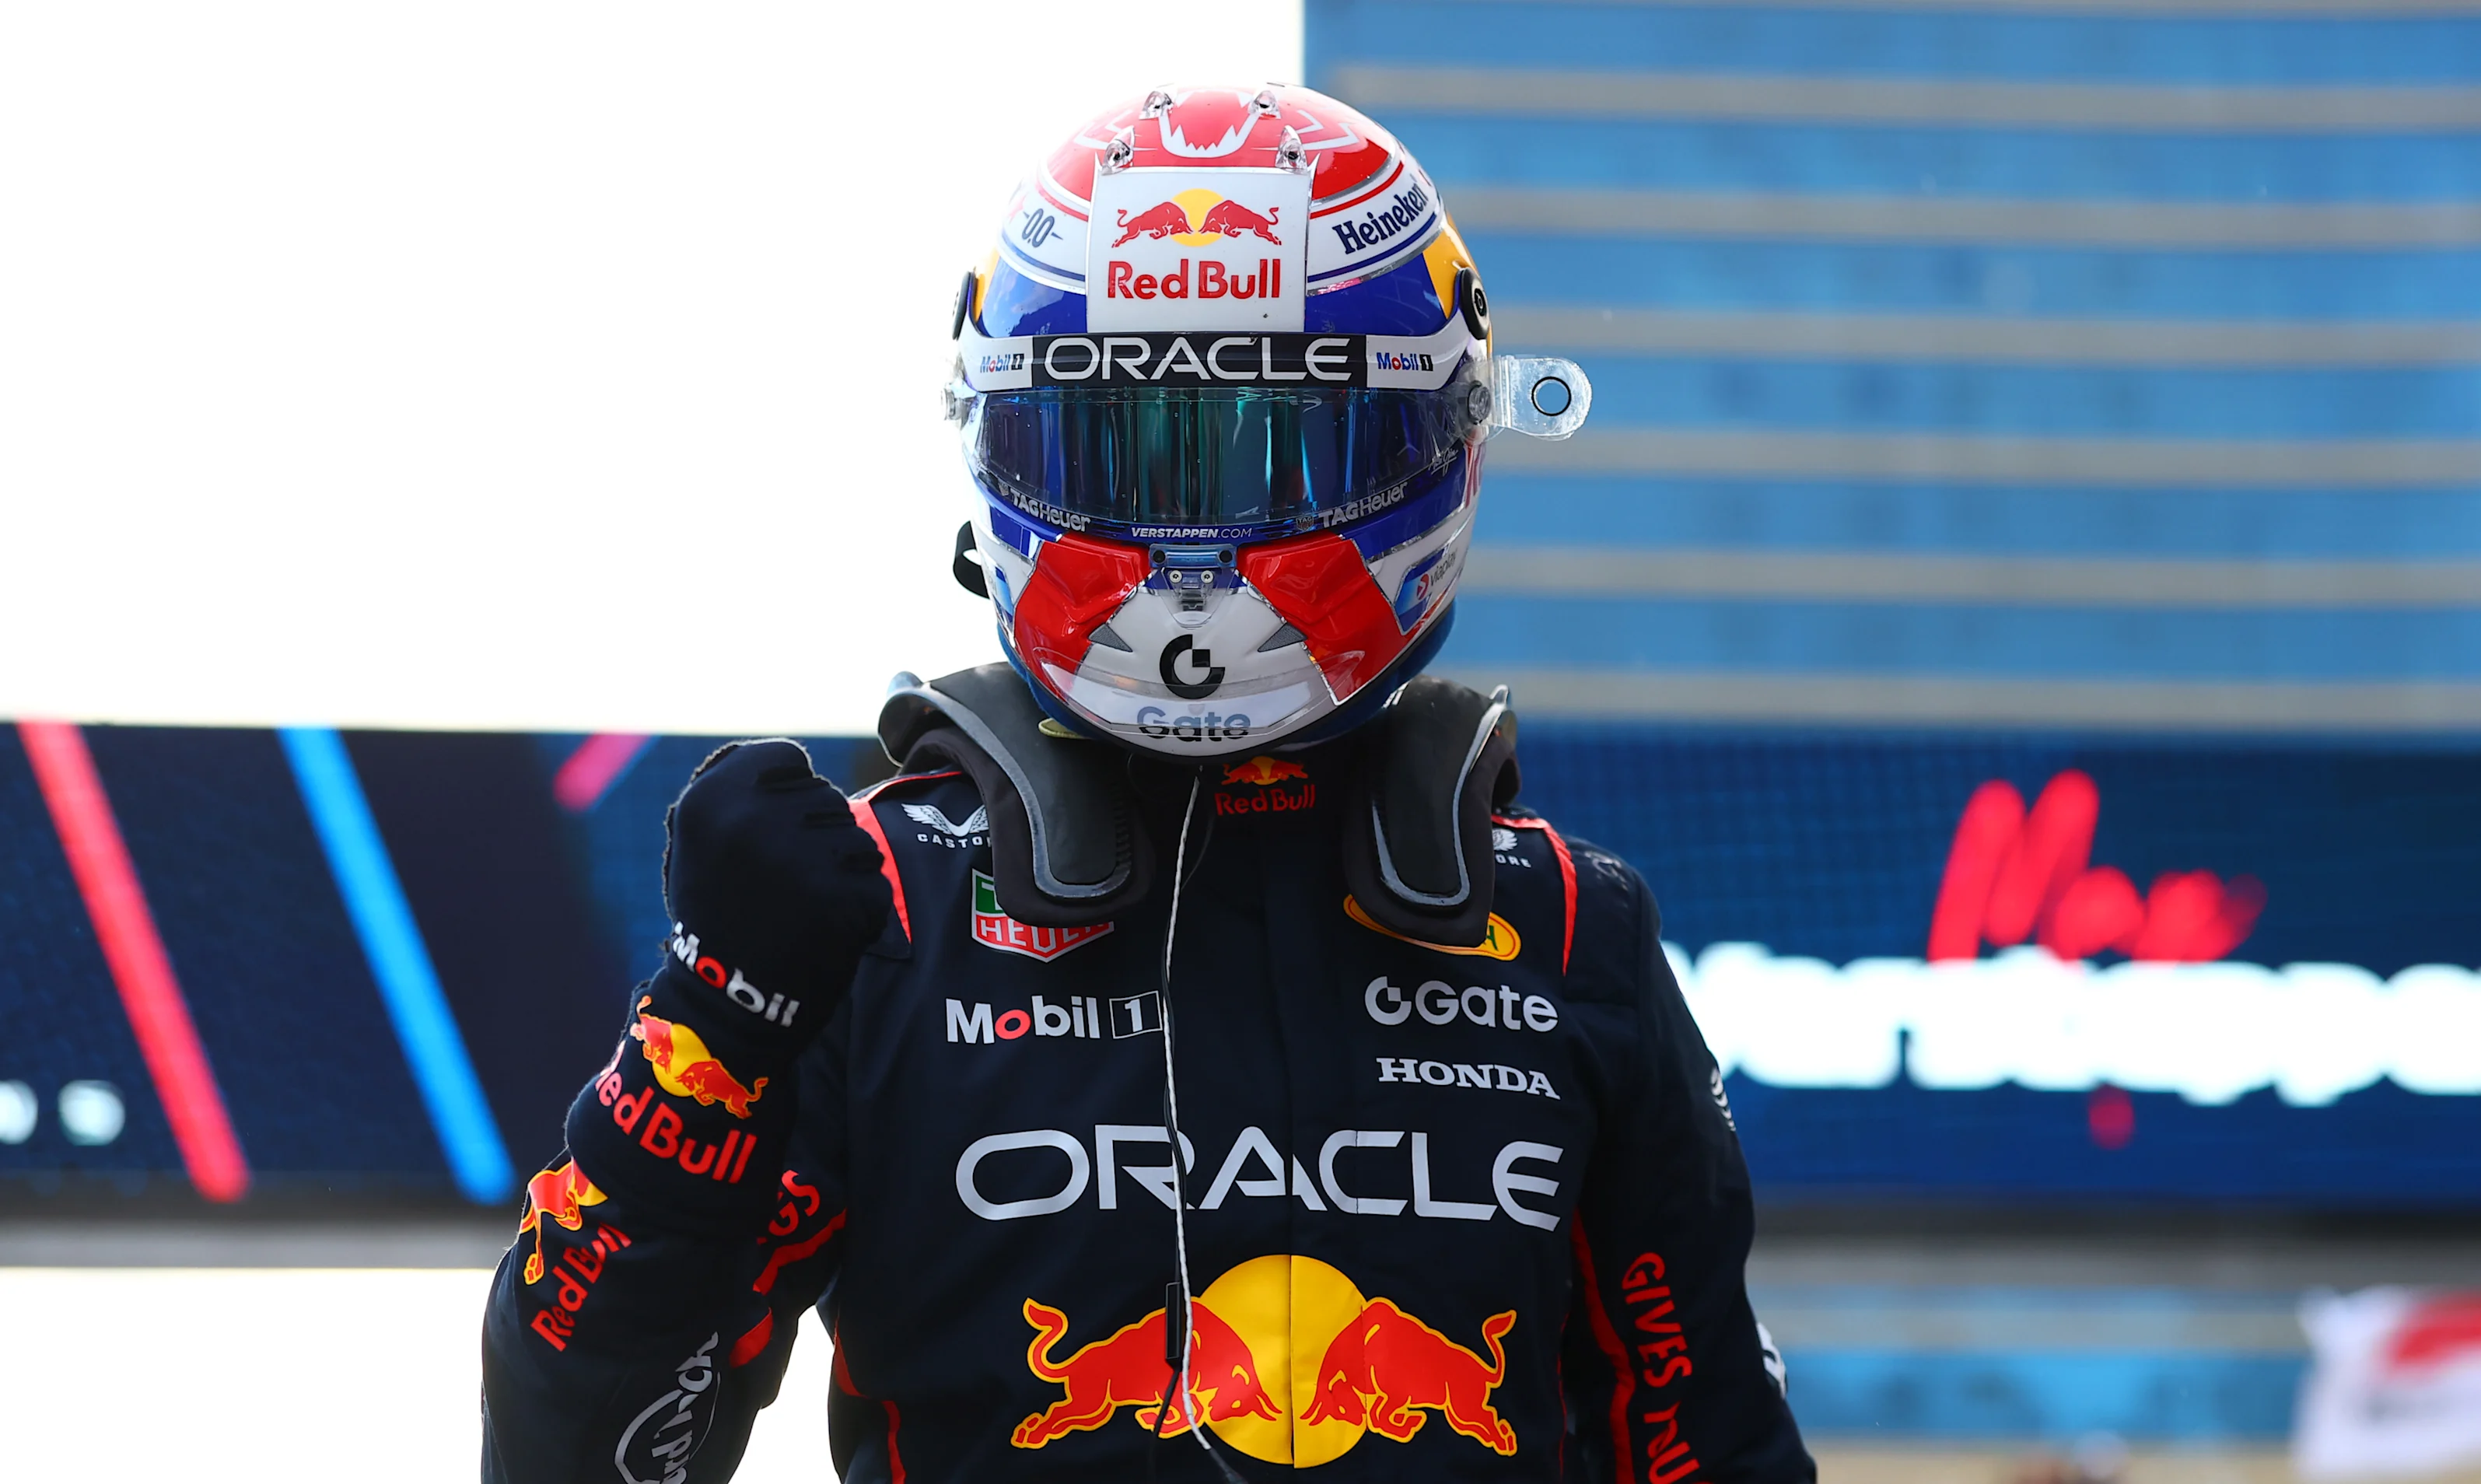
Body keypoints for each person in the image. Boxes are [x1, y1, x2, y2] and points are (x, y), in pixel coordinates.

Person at [480, 84, 1813, 1483]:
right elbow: (575, 1451)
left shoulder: (1566, 933)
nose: (1194, 537)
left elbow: (1715, 1446)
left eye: (1274, 448)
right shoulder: (875, 915)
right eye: (1122, 448)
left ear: (1438, 442)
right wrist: (710, 1032)